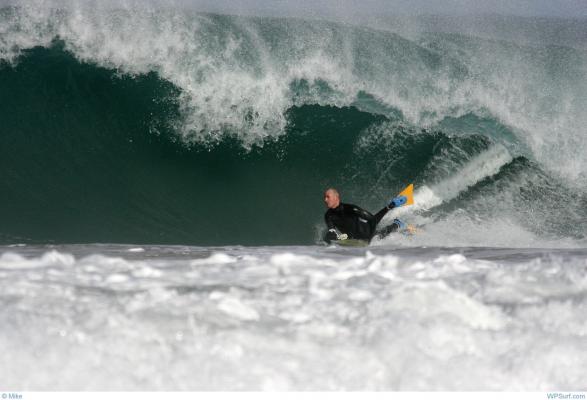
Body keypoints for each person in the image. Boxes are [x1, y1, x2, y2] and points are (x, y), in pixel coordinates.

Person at [323, 188, 404, 243]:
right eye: (325, 197)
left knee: (380, 235)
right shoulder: (328, 215)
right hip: (352, 238)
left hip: (367, 233)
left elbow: (372, 219)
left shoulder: (351, 209)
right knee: (328, 237)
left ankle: (397, 224)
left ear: (336, 197)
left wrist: (369, 239)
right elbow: (332, 230)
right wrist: (332, 237)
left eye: (328, 197)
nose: (325, 200)